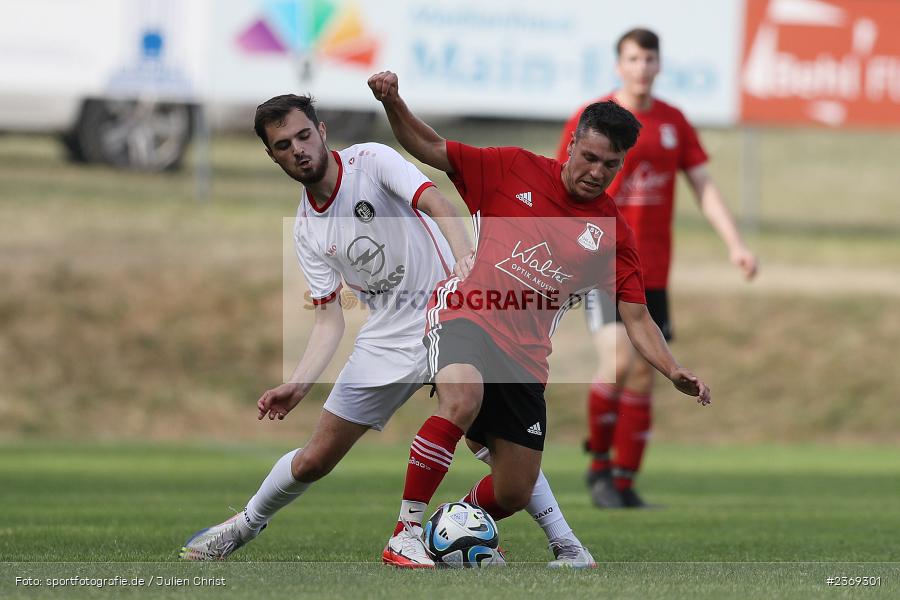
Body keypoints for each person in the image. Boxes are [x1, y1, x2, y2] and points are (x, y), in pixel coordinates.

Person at [179, 93, 595, 568]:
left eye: (303, 135)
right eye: (282, 145)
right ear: (272, 155)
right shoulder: (305, 229)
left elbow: (436, 200)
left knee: (487, 436)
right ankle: (243, 526)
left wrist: (464, 259)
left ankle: (448, 535)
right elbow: (328, 317)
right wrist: (299, 382)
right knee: (315, 459)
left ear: (322, 132)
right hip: (389, 336)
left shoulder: (371, 161)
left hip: (455, 311)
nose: (297, 149)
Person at [368, 70, 711, 569]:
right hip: (466, 314)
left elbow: (637, 317)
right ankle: (406, 532)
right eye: (589, 157)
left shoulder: (614, 232)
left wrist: (672, 368)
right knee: (462, 396)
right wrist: (393, 101)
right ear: (571, 145)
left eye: (610, 165)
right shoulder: (511, 168)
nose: (596, 171)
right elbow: (429, 145)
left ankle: (460, 522)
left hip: (525, 356)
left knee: (512, 489)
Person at [555, 28, 758, 509]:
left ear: (659, 65)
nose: (641, 67)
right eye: (632, 58)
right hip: (599, 262)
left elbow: (703, 186)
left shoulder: (673, 122)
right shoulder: (592, 120)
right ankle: (599, 468)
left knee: (646, 374)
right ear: (619, 65)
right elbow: (560, 181)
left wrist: (735, 245)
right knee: (619, 362)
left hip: (654, 271)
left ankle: (624, 481)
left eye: (649, 59)